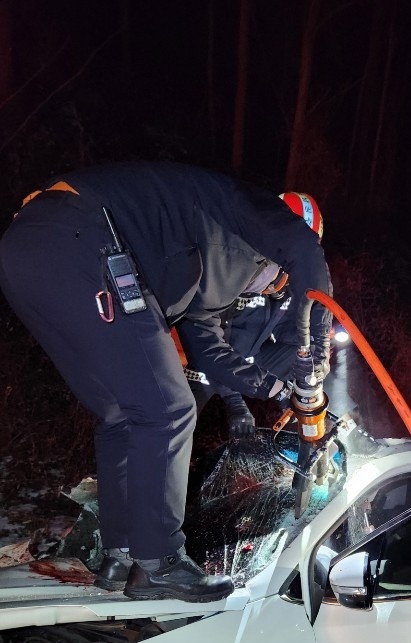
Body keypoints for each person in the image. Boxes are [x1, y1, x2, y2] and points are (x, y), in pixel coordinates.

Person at [0, 162, 333, 602]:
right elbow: (305, 251)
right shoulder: (242, 208)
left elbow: (212, 356)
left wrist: (277, 388)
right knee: (169, 409)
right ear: (274, 248)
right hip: (83, 235)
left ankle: (120, 554)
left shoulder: (201, 272)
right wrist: (316, 354)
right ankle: (160, 561)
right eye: (280, 280)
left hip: (25, 252)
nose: (273, 290)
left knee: (121, 413)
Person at [176, 192, 327, 439]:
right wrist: (236, 403)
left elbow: (294, 341)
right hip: (199, 366)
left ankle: (313, 441)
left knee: (310, 367)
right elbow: (211, 350)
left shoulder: (284, 280)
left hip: (247, 359)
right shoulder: (229, 270)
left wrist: (303, 389)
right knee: (177, 418)